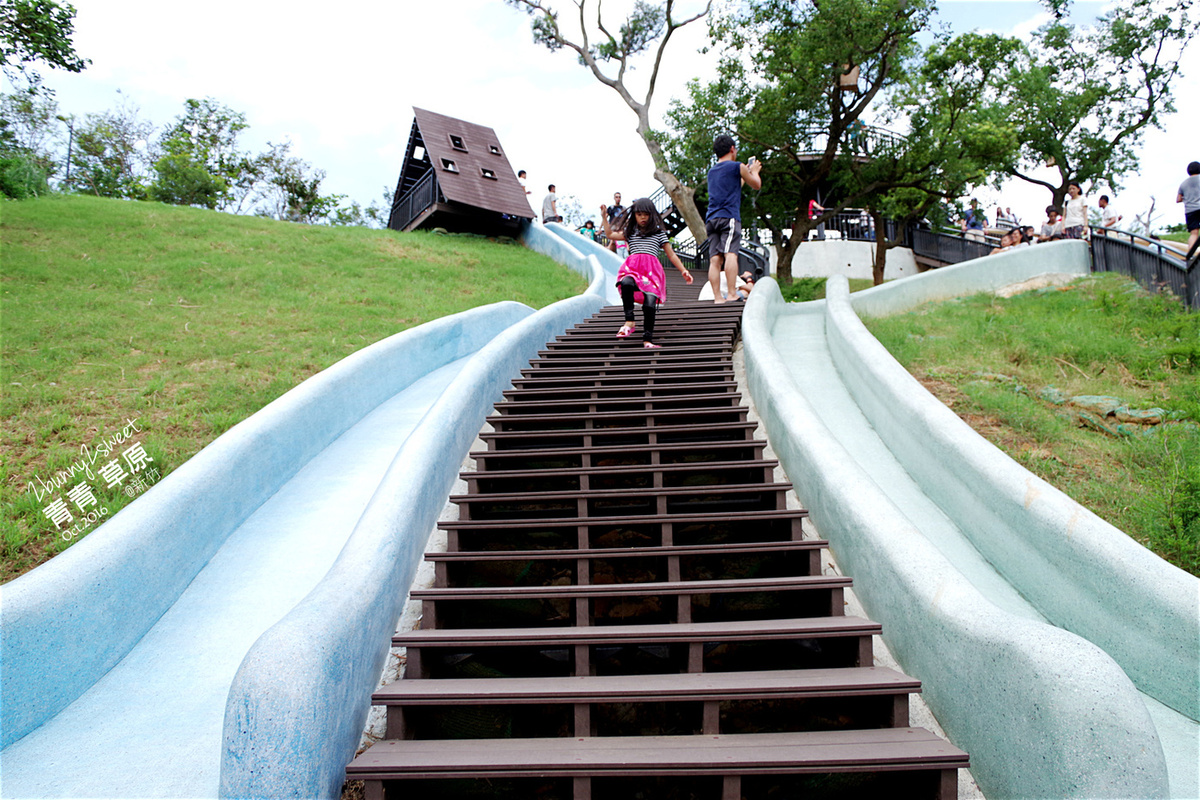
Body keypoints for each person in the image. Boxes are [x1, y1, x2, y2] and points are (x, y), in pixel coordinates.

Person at [600, 197, 693, 348]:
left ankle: (647, 339)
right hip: (634, 267)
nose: (642, 218)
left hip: (651, 271)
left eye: (646, 214)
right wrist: (604, 217)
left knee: (650, 304)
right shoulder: (631, 232)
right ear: (634, 215)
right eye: (639, 214)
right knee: (626, 282)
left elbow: (672, 254)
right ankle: (629, 321)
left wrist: (683, 270)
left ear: (652, 215)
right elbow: (610, 235)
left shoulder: (659, 234)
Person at [705, 134, 763, 304]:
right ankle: (731, 294)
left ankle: (717, 297)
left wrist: (743, 173)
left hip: (712, 219)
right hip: (728, 217)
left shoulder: (712, 171)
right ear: (732, 149)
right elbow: (756, 184)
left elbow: (735, 186)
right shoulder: (737, 166)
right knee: (731, 254)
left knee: (715, 259)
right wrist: (754, 172)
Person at [1176, 161, 1200, 255]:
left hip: (1190, 210)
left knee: (1194, 233)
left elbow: (1178, 199)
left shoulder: (1183, 184)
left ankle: (1191, 255)